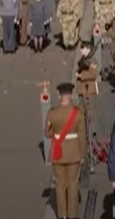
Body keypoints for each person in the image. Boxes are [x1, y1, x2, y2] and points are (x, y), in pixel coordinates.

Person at [46, 83, 87, 219]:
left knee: (60, 185)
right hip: (74, 152)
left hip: (58, 152)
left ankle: (62, 214)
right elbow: (82, 135)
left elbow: (47, 132)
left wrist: (55, 133)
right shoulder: (78, 113)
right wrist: (82, 153)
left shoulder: (52, 113)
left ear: (59, 96)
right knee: (73, 185)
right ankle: (72, 214)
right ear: (71, 95)